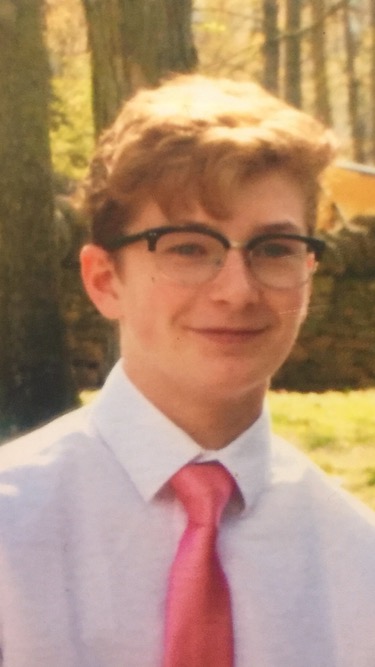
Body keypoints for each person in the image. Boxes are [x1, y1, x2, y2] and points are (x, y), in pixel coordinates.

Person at [0, 74, 374, 667]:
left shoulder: (357, 560)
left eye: (273, 249)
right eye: (188, 247)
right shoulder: (11, 530)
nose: (237, 290)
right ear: (103, 280)